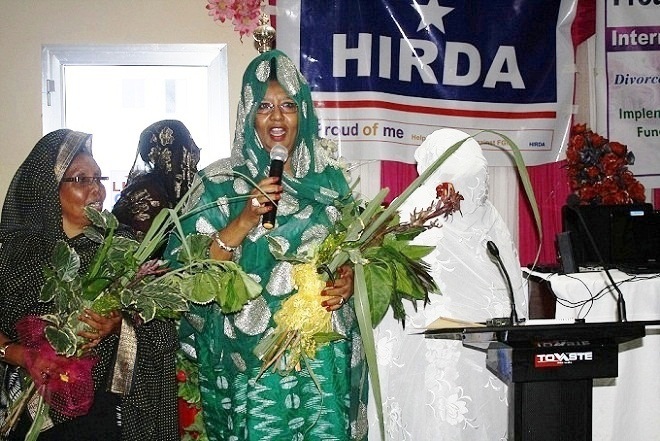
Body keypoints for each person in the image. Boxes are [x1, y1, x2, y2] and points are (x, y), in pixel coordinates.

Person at [168, 50, 368, 440]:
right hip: (251, 363)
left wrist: (349, 281)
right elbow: (187, 274)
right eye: (264, 106)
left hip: (321, 360)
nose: (277, 117)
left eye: (288, 105)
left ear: (303, 113)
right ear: (249, 115)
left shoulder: (332, 182)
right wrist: (244, 220)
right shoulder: (219, 183)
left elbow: (357, 253)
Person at [0, 129, 178, 440]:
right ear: (49, 189)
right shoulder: (15, 254)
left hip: (99, 414)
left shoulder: (121, 248)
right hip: (25, 409)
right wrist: (21, 355)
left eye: (98, 178)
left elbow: (162, 327)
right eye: (81, 180)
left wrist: (120, 325)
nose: (96, 190)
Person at [368, 128, 527, 441]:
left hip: (470, 354)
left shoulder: (485, 217)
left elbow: (511, 289)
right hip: (442, 355)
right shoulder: (420, 211)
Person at [112, 120, 200, 242]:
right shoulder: (147, 192)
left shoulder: (178, 189)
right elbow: (139, 249)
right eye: (184, 149)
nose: (193, 153)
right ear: (165, 154)